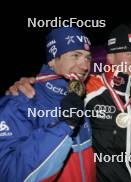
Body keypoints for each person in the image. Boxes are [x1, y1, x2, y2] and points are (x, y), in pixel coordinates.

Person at [7, 24, 131, 182]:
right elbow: (51, 84)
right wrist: (27, 83)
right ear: (110, 58)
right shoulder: (87, 86)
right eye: (130, 54)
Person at [0, 27, 95, 182]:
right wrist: (65, 124)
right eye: (75, 55)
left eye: (87, 58)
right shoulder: (20, 101)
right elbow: (8, 174)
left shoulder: (83, 93)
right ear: (52, 60)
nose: (85, 66)